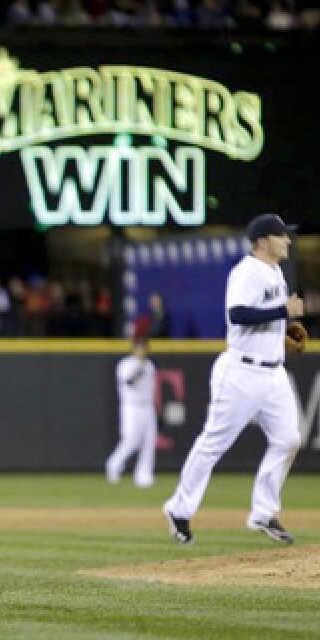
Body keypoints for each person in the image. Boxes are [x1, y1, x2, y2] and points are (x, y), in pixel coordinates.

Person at [163, 214, 305, 546]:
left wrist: (281, 331)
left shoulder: (275, 272)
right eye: (282, 236)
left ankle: (263, 512)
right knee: (213, 443)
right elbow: (237, 314)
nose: (288, 240)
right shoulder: (246, 272)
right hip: (240, 372)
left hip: (274, 373)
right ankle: (179, 509)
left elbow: (265, 316)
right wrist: (282, 312)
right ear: (263, 241)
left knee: (289, 439)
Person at [105, 336, 158, 488]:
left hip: (147, 406)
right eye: (139, 347)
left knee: (149, 441)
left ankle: (144, 474)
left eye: (144, 347)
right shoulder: (126, 364)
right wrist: (140, 368)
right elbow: (129, 382)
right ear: (134, 348)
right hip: (131, 407)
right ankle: (113, 465)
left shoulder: (149, 365)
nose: (142, 350)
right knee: (131, 441)